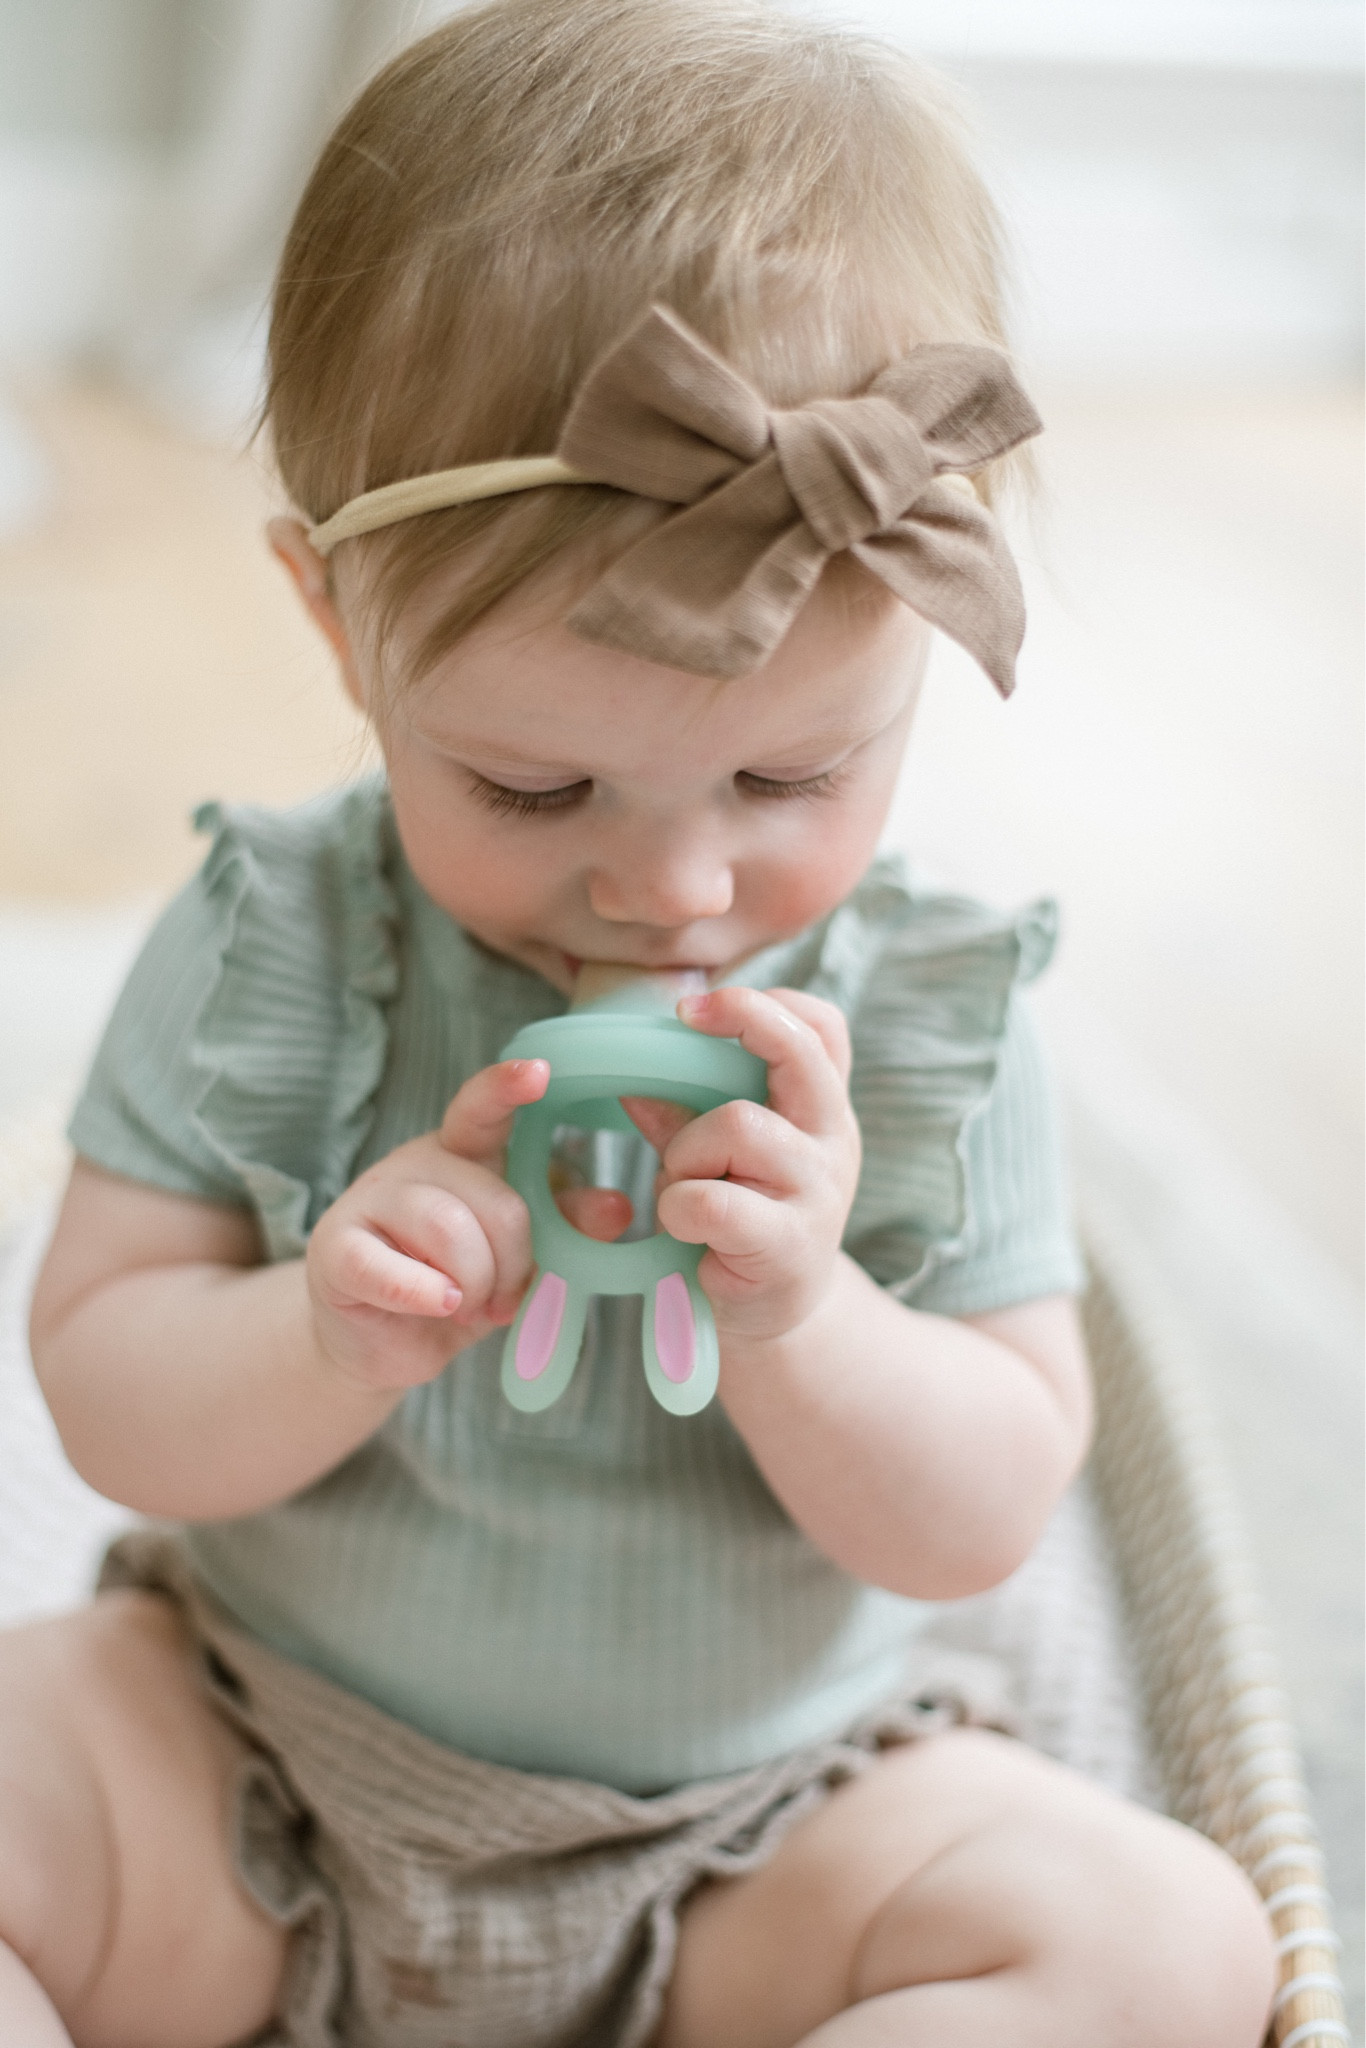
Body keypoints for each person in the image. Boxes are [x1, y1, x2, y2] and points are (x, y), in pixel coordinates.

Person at [3, 3, 1276, 2043]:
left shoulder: (933, 1013)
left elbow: (979, 1506)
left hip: (764, 1836)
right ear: (335, 621)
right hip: (251, 1775)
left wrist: (803, 1320)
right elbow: (98, 1388)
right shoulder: (277, 939)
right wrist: (318, 1327)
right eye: (532, 788)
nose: (673, 889)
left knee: (1168, 1943)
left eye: (788, 785)